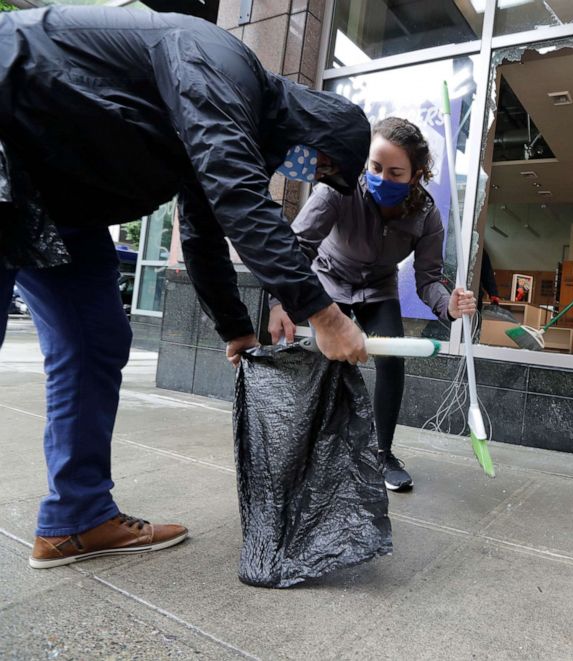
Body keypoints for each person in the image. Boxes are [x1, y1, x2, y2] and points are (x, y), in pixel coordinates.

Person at [0, 6, 373, 568]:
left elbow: (203, 230)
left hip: (57, 196)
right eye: (319, 166)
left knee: (94, 341)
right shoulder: (223, 64)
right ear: (315, 127)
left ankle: (75, 520)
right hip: (11, 121)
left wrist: (236, 331)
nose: (307, 175)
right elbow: (237, 195)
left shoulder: (235, 125)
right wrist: (325, 315)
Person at [267, 117, 477, 492]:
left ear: (416, 174)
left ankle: (383, 452)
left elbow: (428, 280)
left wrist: (450, 306)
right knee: (322, 358)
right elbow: (296, 245)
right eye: (375, 167)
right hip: (329, 280)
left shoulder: (426, 214)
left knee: (391, 360)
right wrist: (280, 302)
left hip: (379, 288)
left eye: (396, 172)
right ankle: (308, 450)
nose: (382, 177)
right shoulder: (338, 189)